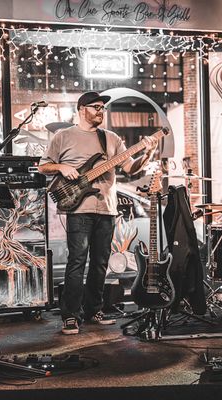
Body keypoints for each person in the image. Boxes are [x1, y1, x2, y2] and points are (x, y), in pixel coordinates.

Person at [39, 91, 157, 335]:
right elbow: (43, 166)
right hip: (79, 208)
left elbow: (130, 168)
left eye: (103, 107)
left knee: (100, 263)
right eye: (96, 107)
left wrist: (147, 153)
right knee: (77, 261)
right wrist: (62, 166)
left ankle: (93, 311)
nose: (101, 111)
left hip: (107, 209)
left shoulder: (111, 138)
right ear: (82, 109)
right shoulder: (64, 136)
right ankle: (70, 316)